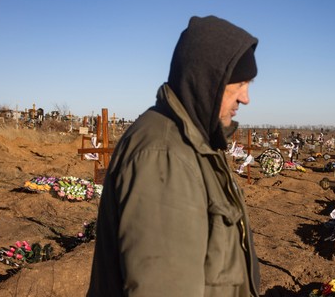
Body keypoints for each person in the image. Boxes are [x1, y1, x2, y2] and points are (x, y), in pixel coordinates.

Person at [88, 16, 260, 296]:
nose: (246, 98)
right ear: (209, 79)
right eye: (239, 83)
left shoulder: (195, 145)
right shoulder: (164, 155)